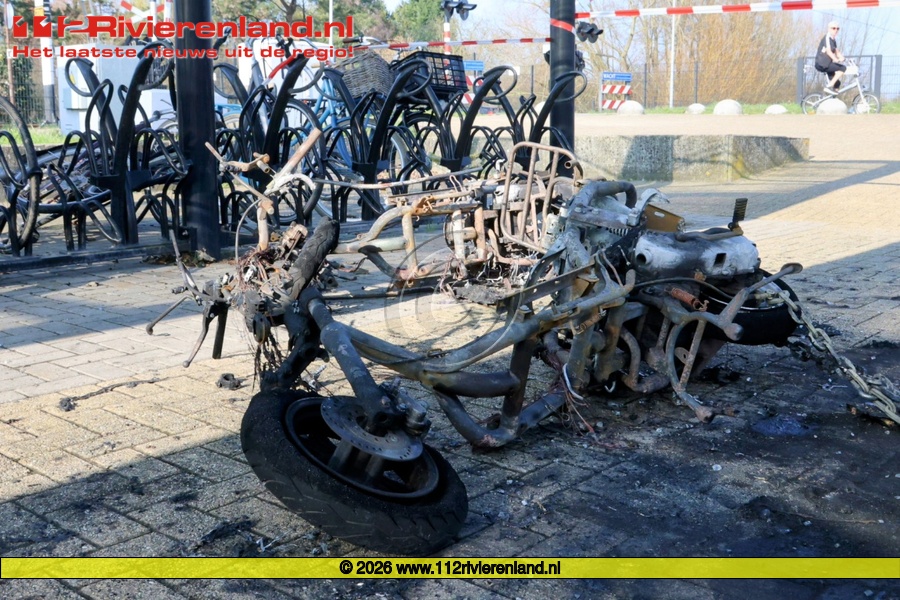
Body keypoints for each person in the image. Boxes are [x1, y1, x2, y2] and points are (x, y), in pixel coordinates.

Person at [815, 21, 846, 95]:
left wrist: (843, 58)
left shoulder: (833, 40)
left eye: (837, 29)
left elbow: (836, 51)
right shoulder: (827, 38)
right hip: (822, 64)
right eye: (833, 28)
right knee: (843, 68)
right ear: (829, 29)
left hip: (827, 64)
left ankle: (833, 97)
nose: (836, 30)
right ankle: (829, 86)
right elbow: (828, 51)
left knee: (837, 83)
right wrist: (836, 59)